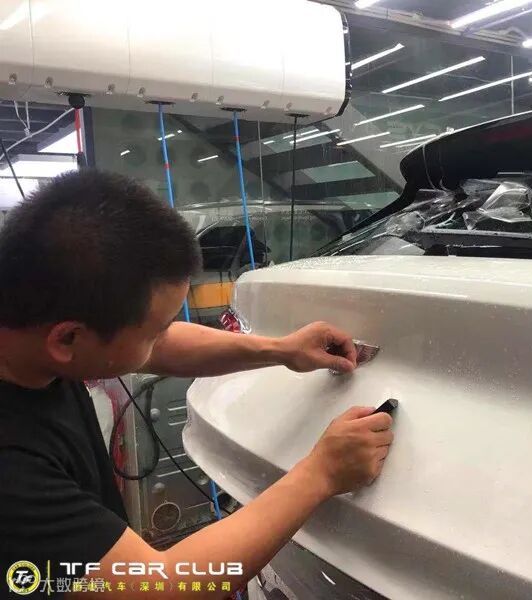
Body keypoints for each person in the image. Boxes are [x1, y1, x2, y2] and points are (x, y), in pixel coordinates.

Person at [0, 170, 393, 598]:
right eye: (156, 328)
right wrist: (321, 475)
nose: (164, 336)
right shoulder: (13, 472)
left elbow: (161, 346)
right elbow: (158, 589)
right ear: (67, 339)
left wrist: (281, 349)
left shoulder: (32, 329)